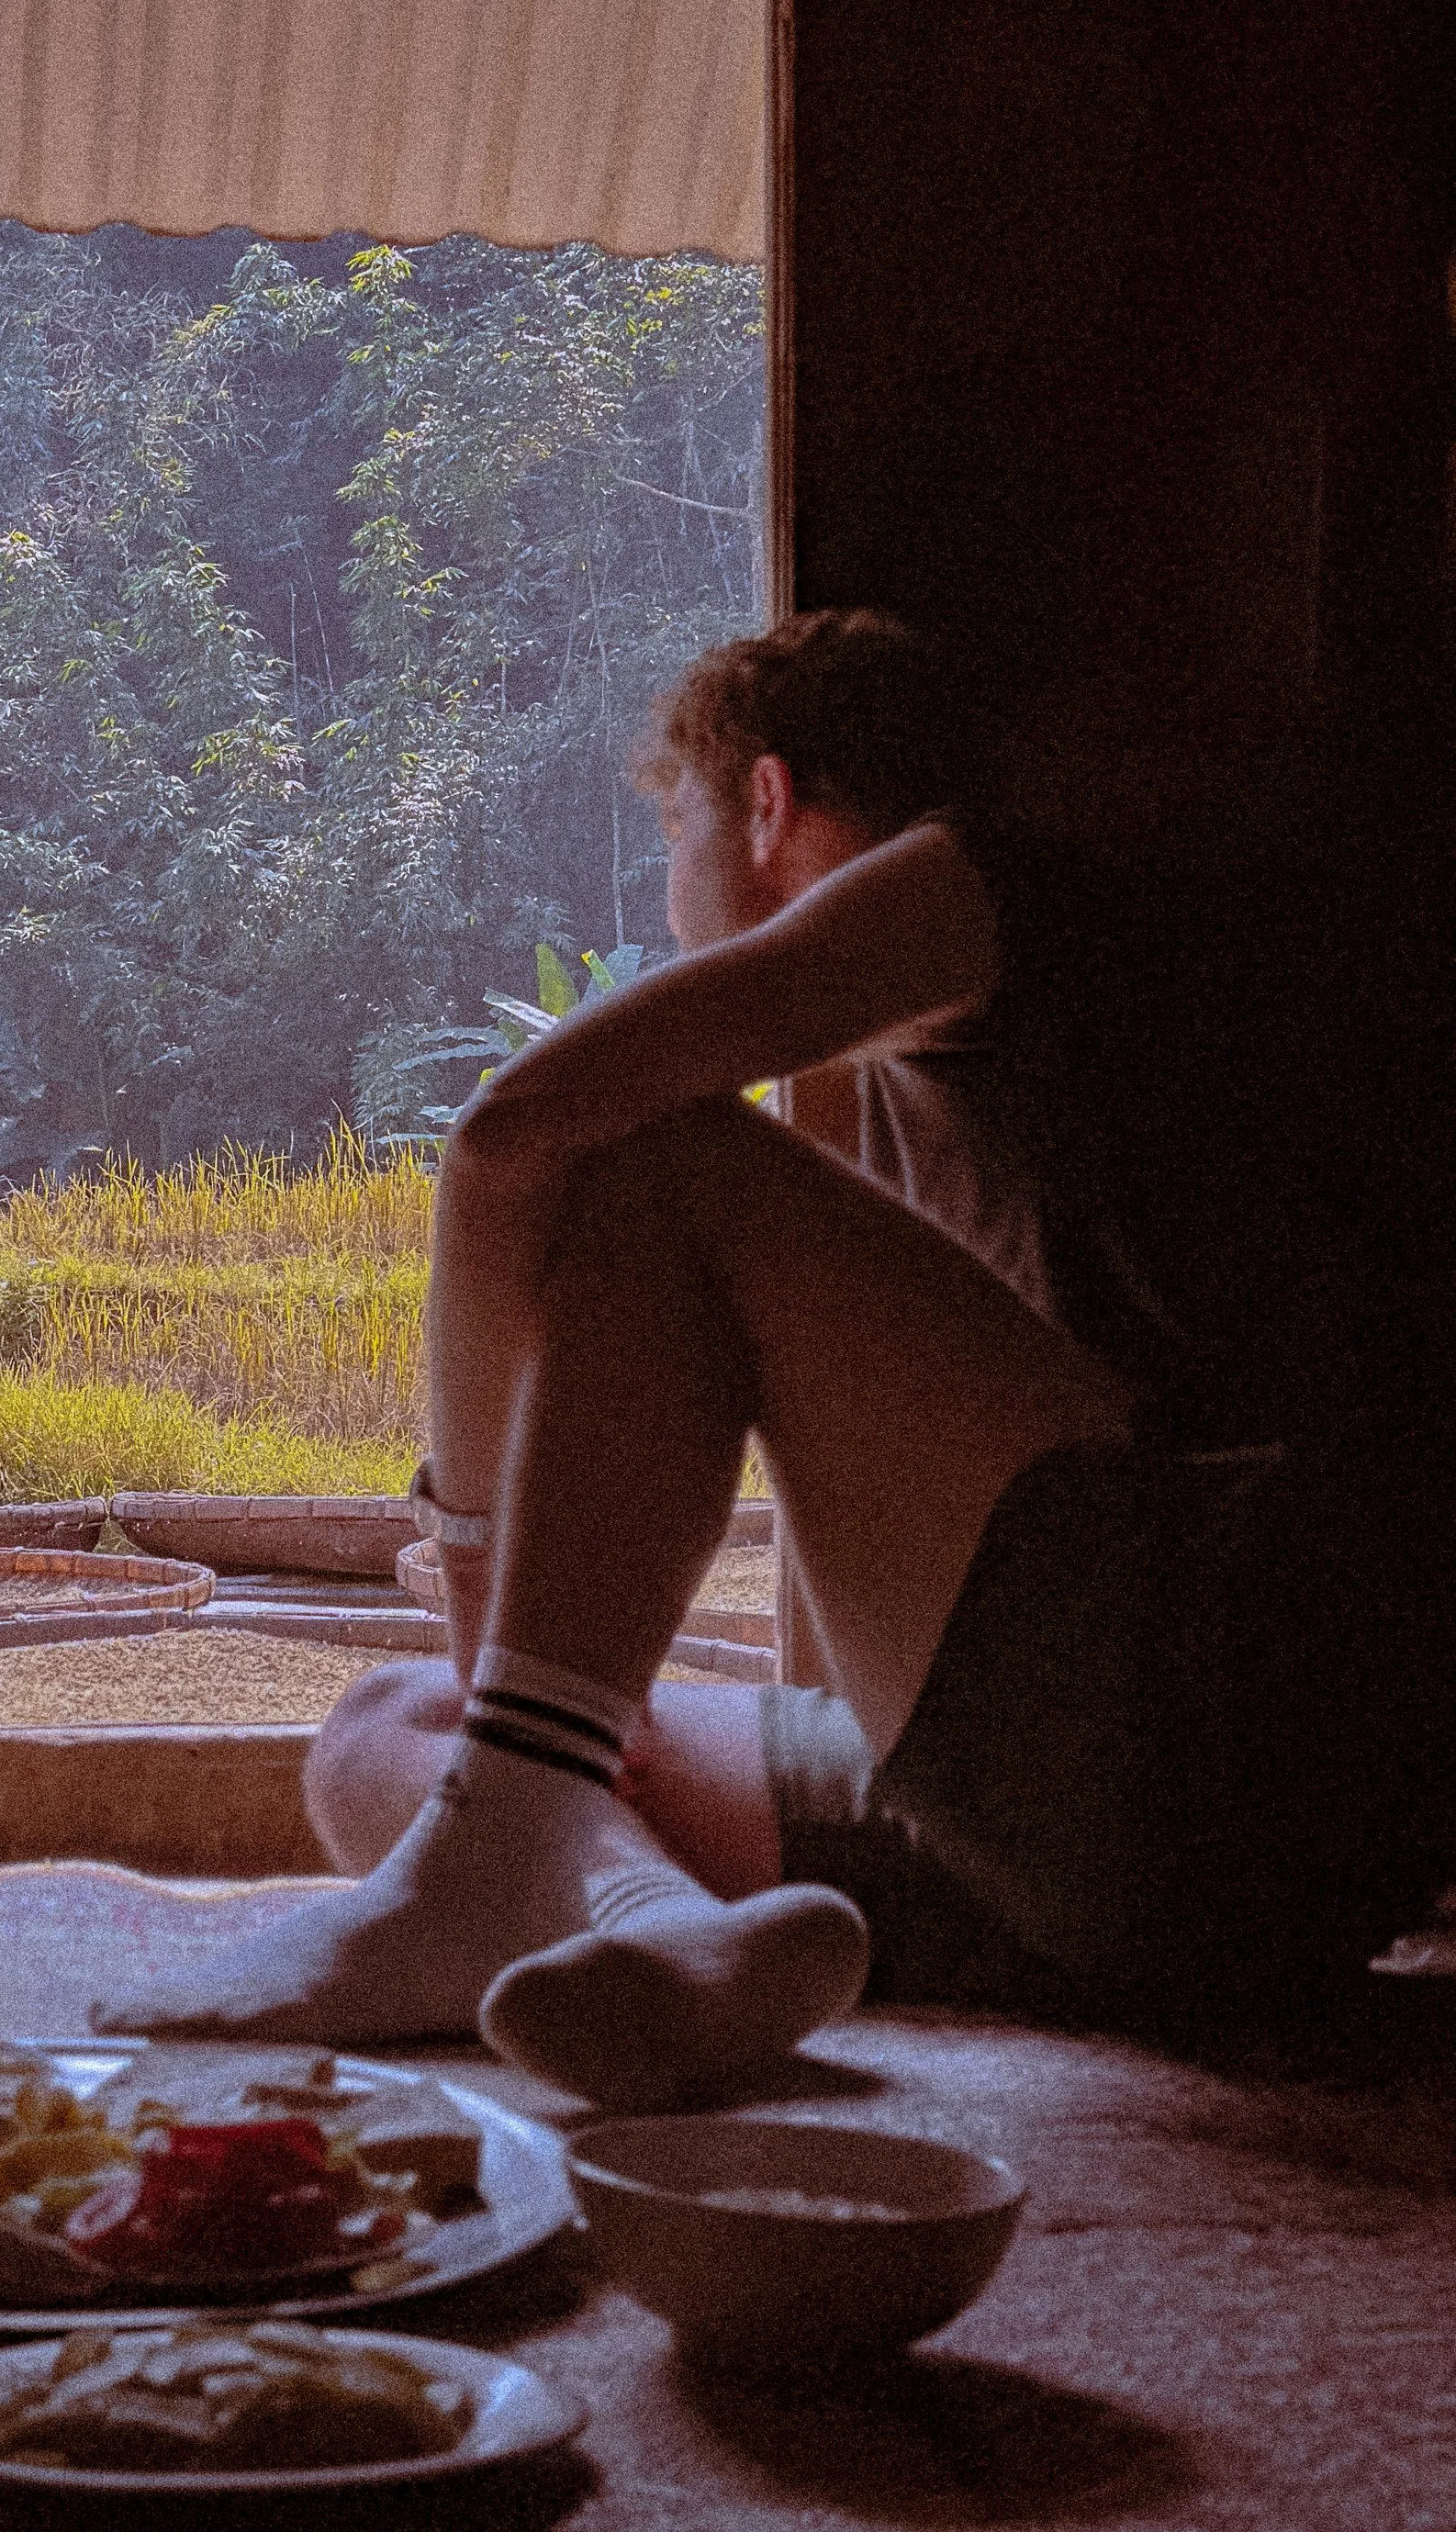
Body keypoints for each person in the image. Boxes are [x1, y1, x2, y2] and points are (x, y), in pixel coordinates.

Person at [95, 613, 1455, 2101]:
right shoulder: (930, 1053)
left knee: (661, 1152)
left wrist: (476, 1561)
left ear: (763, 803)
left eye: (675, 823)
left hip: (1209, 1725)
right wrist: (511, 1695)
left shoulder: (978, 885)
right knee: (390, 1730)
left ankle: (493, 1861)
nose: (674, 902)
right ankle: (664, 1934)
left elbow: (510, 1136)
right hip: (1118, 1840)